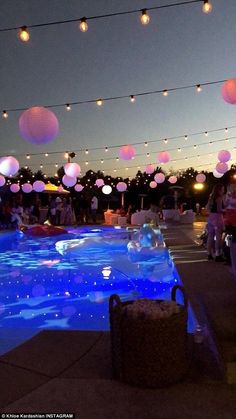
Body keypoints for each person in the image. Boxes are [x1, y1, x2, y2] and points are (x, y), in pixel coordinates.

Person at [206, 183, 225, 262]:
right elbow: (219, 209)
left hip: (211, 217)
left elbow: (207, 208)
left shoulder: (211, 197)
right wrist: (226, 210)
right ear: (219, 190)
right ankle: (218, 255)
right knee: (218, 237)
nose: (224, 190)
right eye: (223, 189)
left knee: (210, 236)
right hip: (217, 217)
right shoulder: (219, 198)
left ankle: (209, 254)